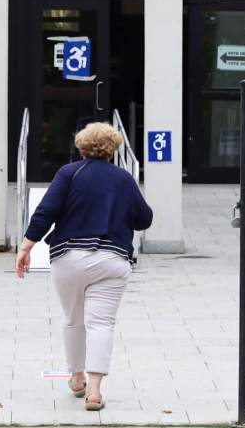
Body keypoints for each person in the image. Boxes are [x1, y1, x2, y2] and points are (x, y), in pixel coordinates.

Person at [16, 122, 153, 411]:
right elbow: (144, 219)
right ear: (113, 149)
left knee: (73, 320)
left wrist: (27, 246)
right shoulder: (124, 179)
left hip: (69, 258)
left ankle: (76, 379)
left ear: (81, 148)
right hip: (112, 259)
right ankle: (94, 391)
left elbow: (46, 211)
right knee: (101, 323)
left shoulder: (68, 173)